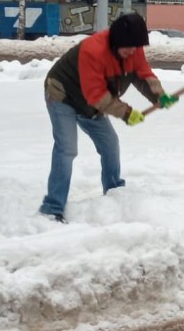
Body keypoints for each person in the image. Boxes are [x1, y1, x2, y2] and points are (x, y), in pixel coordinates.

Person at [40, 12, 172, 222]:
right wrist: (127, 113)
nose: (133, 51)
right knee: (67, 149)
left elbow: (142, 74)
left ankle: (114, 193)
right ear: (116, 41)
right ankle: (52, 208)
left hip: (90, 104)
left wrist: (159, 96)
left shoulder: (133, 49)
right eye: (128, 47)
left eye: (136, 47)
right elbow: (96, 95)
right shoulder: (93, 51)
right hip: (62, 95)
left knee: (110, 144)